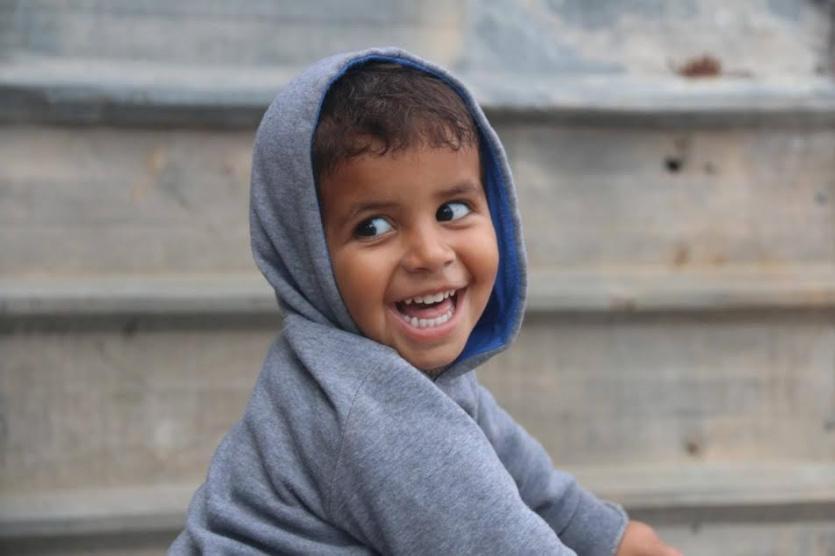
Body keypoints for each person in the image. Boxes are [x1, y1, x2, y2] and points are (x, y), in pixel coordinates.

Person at [170, 47, 682, 555]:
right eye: (373, 226)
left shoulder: (415, 378)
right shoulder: (373, 414)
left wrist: (622, 540)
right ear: (307, 255)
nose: (430, 254)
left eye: (452, 210)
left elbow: (549, 501)